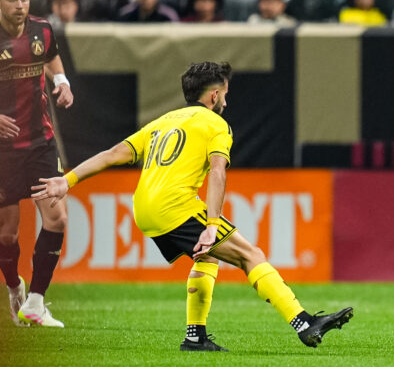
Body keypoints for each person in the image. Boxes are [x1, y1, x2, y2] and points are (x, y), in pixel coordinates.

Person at [32, 61, 353, 351]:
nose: (226, 100)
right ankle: (303, 323)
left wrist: (68, 180)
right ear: (213, 96)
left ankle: (195, 336)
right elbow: (217, 172)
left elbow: (114, 153)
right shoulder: (215, 125)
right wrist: (212, 225)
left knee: (208, 258)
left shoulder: (164, 121)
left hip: (145, 208)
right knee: (250, 255)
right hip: (176, 206)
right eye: (224, 94)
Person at [0, 0, 74, 327]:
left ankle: (35, 301)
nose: (20, 5)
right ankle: (14, 286)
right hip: (2, 153)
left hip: (40, 143)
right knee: (6, 234)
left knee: (57, 218)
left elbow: (50, 56)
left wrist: (61, 81)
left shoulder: (41, 28)